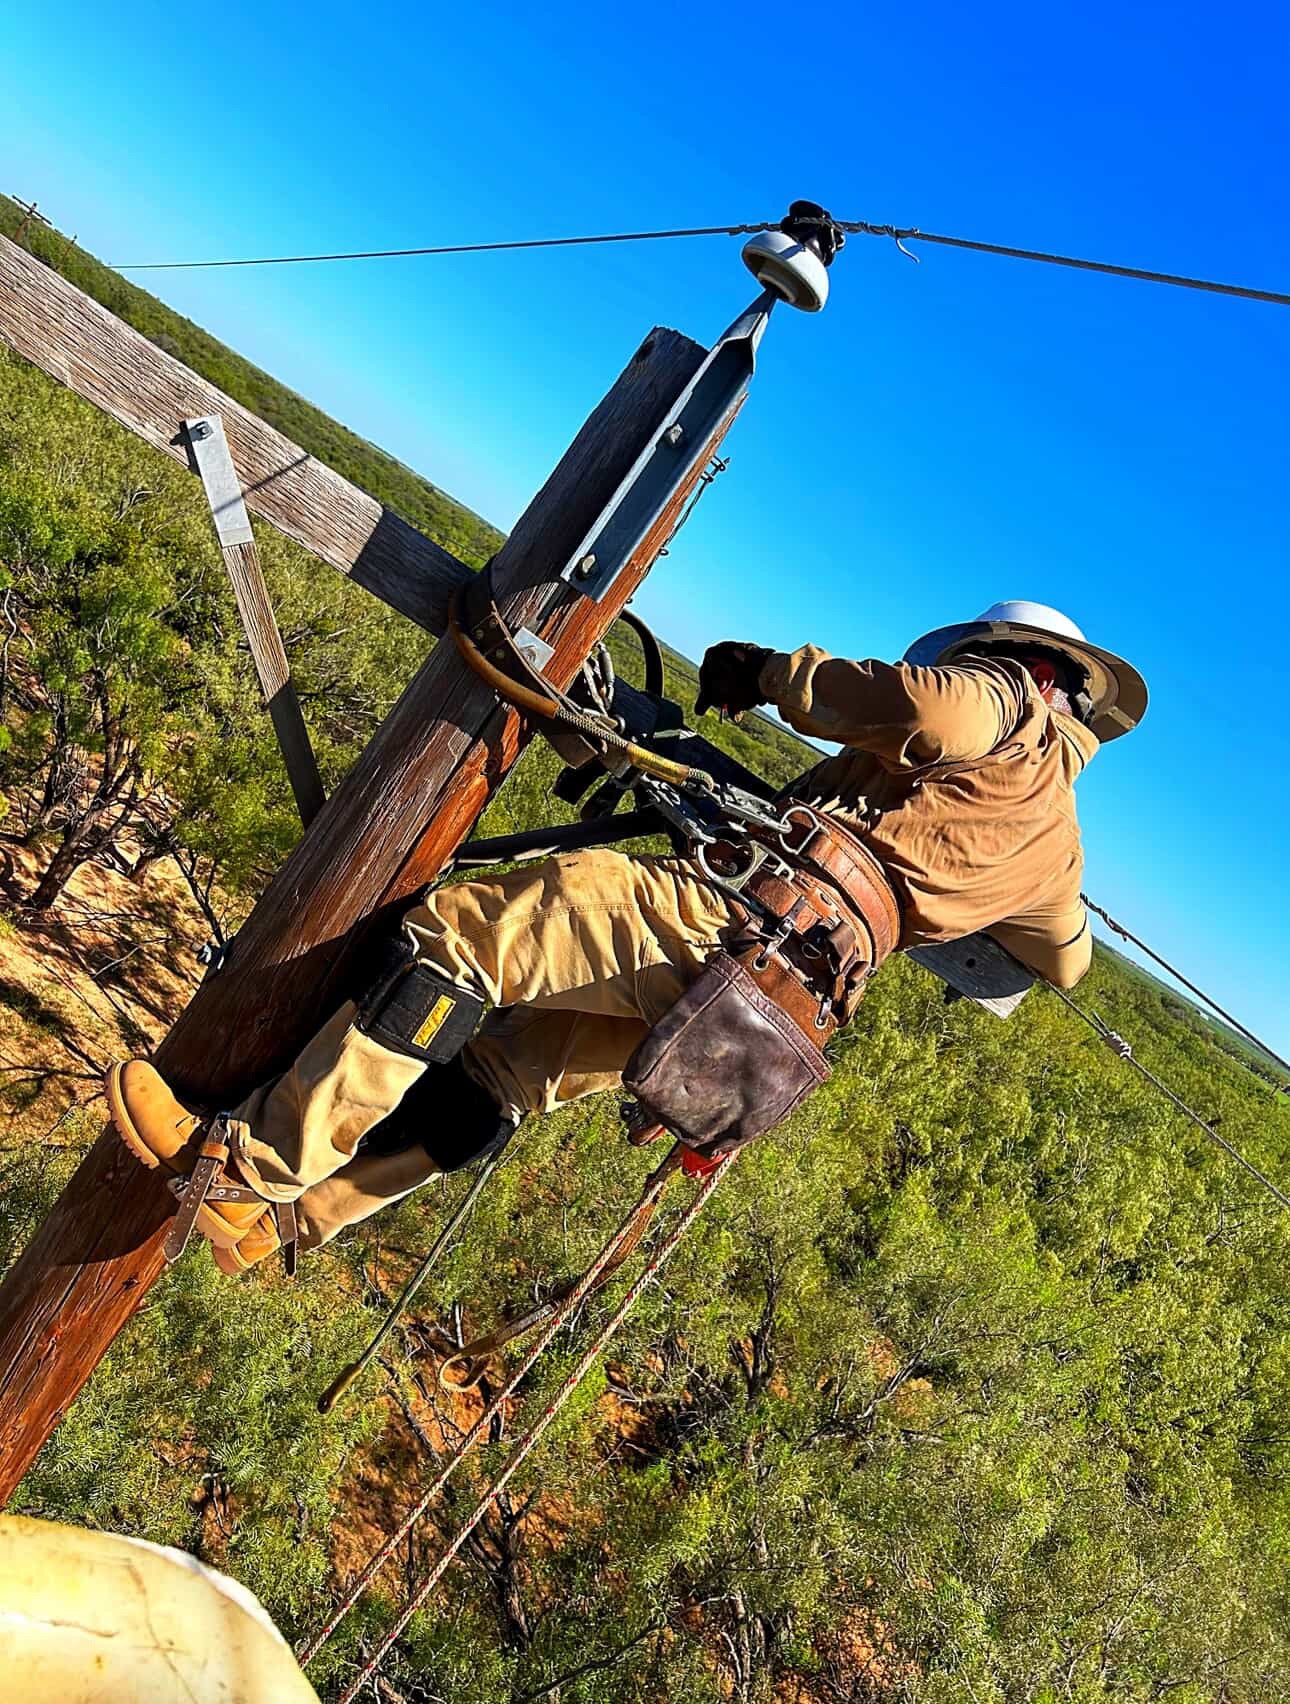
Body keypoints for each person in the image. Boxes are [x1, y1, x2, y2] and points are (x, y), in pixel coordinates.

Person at [106, 601, 1146, 1275]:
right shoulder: (1061, 852)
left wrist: (775, 672)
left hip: (732, 921)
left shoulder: (1006, 701)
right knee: (512, 1074)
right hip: (780, 1009)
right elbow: (1063, 959)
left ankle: (245, 1172)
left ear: (1022, 665)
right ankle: (291, 1224)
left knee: (465, 938)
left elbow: (911, 704)